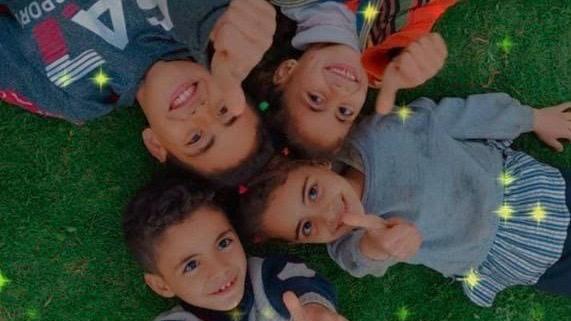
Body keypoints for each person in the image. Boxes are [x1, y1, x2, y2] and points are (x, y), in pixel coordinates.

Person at [238, 92, 571, 306]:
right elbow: (361, 261)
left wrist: (532, 119)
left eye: (312, 191)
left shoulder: (381, 133)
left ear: (317, 162)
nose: (326, 215)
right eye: (307, 227)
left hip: (531, 191)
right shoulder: (349, 244)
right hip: (518, 257)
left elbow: (459, 116)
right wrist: (378, 247)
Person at [0, 0, 276, 186]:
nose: (200, 112)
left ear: (156, 144)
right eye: (223, 111)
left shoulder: (79, 99)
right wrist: (214, 19)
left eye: (196, 138)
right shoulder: (191, 23)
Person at [245, 0, 456, 157]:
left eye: (315, 99)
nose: (339, 92)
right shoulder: (385, 57)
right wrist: (403, 59)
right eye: (344, 112)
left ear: (287, 71)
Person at [123, 176, 349, 321]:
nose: (220, 269)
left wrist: (315, 311)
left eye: (223, 243)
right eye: (191, 265)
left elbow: (304, 288)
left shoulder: (269, 275)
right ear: (161, 285)